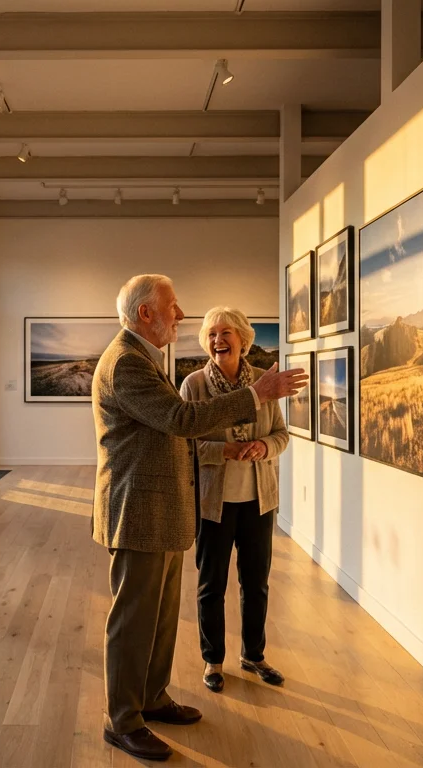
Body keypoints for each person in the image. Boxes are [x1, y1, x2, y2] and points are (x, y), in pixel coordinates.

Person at [91, 274, 307, 762]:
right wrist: (258, 393)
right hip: (140, 511)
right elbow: (183, 421)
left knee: (161, 615)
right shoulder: (127, 362)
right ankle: (121, 719)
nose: (181, 315)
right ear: (146, 313)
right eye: (172, 306)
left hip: (161, 510)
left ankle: (151, 697)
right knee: (133, 619)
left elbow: (178, 429)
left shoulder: (143, 357)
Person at [179, 307, 290, 694]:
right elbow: (185, 445)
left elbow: (282, 435)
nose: (217, 340)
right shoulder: (194, 386)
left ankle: (254, 655)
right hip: (214, 503)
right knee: (212, 584)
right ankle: (213, 660)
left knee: (256, 583)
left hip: (259, 501)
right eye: (210, 334)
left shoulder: (265, 383)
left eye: (225, 332)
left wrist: (263, 446)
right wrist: (223, 451)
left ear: (243, 339)